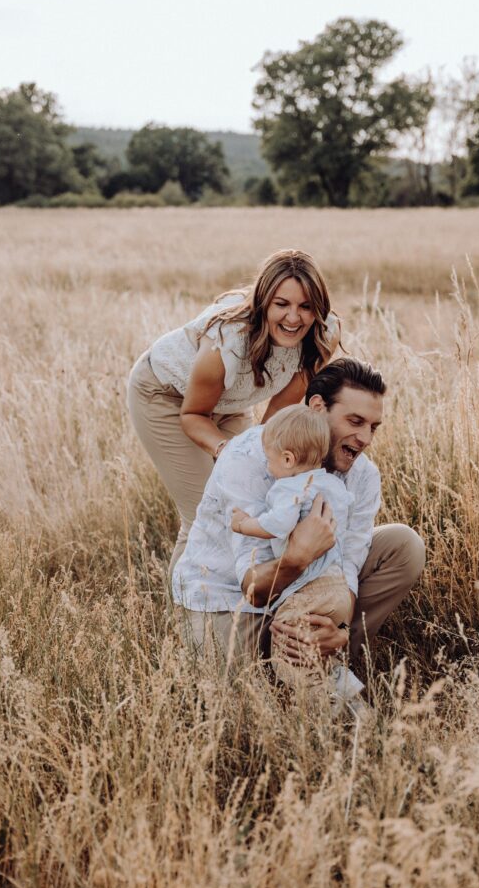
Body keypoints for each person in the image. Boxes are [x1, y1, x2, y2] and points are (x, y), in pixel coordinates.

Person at [172, 357, 426, 671]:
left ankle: (329, 652)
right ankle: (290, 665)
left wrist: (342, 631)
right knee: (237, 706)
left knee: (404, 545)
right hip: (229, 600)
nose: (366, 439)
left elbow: (349, 567)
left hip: (310, 597)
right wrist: (296, 557)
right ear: (318, 407)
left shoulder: (363, 475)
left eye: (373, 427)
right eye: (355, 421)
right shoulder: (248, 457)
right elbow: (252, 589)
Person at [127, 250, 339, 576]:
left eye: (306, 306)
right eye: (282, 304)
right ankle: (184, 617)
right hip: (166, 396)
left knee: (250, 498)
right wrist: (229, 453)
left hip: (230, 402)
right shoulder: (228, 340)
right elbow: (194, 415)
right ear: (264, 302)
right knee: (205, 510)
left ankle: (235, 603)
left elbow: (277, 417)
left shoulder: (322, 336)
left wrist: (258, 460)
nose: (294, 318)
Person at [230, 403, 360, 696]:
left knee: (288, 653)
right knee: (315, 650)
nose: (267, 466)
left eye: (269, 459)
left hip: (309, 590)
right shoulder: (332, 484)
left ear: (288, 459)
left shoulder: (288, 488)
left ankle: (326, 712)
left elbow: (277, 523)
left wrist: (244, 524)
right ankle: (345, 687)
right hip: (338, 589)